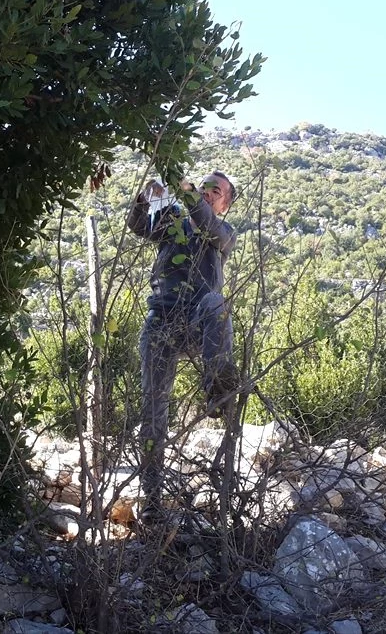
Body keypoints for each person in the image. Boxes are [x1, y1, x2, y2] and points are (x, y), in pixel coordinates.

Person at [127, 171, 238, 518]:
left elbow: (205, 223)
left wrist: (186, 193)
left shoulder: (224, 232)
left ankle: (218, 385)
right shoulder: (172, 219)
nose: (208, 192)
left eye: (215, 191)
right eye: (205, 185)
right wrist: (147, 196)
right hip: (161, 320)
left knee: (216, 304)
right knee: (153, 413)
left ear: (224, 204)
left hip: (196, 321)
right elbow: (138, 226)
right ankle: (152, 499)